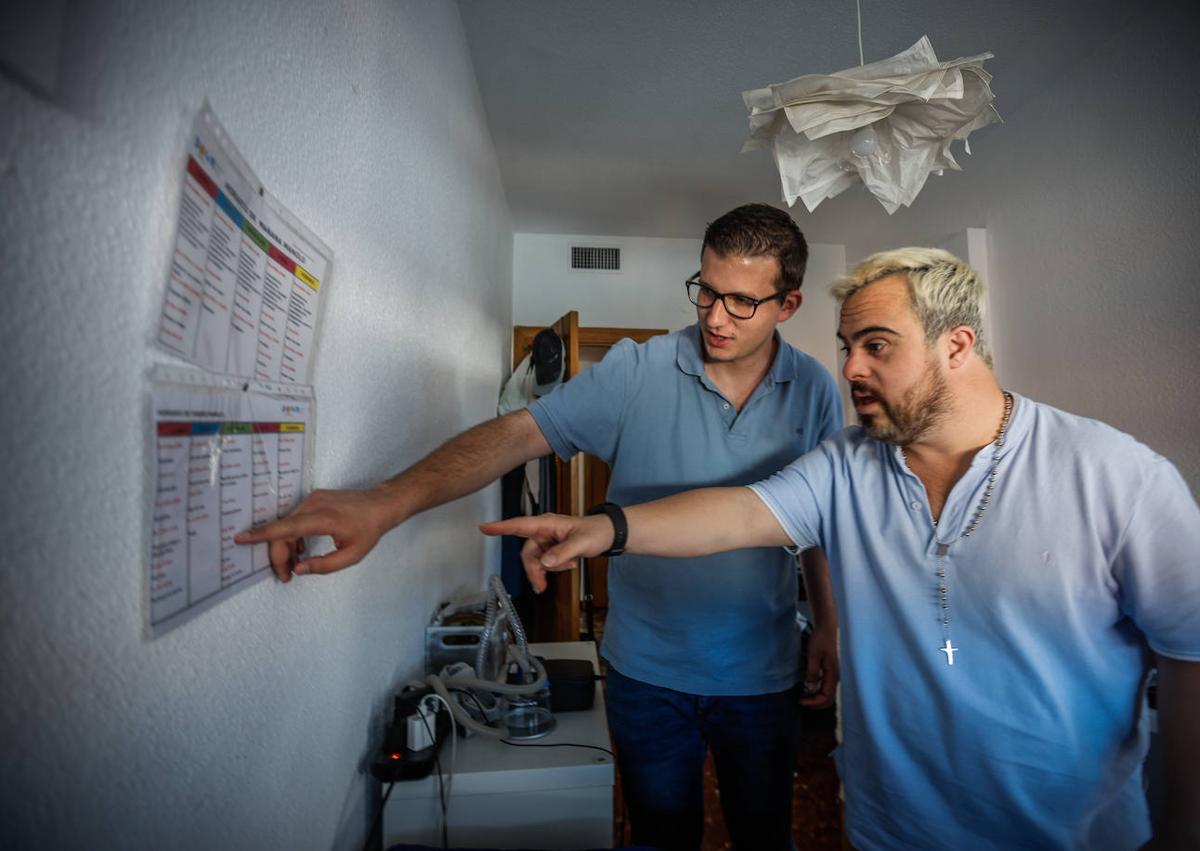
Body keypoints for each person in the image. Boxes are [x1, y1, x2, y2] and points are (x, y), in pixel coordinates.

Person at [482, 247, 1200, 851]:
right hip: (889, 830)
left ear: (957, 344)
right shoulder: (850, 463)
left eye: (876, 346)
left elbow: (1190, 659)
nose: (851, 368)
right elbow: (737, 513)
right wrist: (606, 528)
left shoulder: (1117, 478)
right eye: (847, 346)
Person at [236, 203, 845, 850]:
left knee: (765, 834)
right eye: (707, 291)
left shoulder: (815, 391)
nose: (715, 317)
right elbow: (517, 435)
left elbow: (816, 517)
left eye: (742, 302)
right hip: (647, 671)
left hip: (762, 670)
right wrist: (384, 502)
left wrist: (828, 623)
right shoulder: (640, 370)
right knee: (661, 835)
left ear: (789, 303)